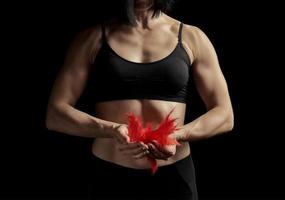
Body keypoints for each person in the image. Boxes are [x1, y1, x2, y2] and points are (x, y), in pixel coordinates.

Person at [46, 0, 234, 199]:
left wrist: (177, 135)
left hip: (174, 179)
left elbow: (224, 114)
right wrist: (110, 129)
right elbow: (56, 115)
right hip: (109, 176)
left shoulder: (191, 37)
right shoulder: (92, 38)